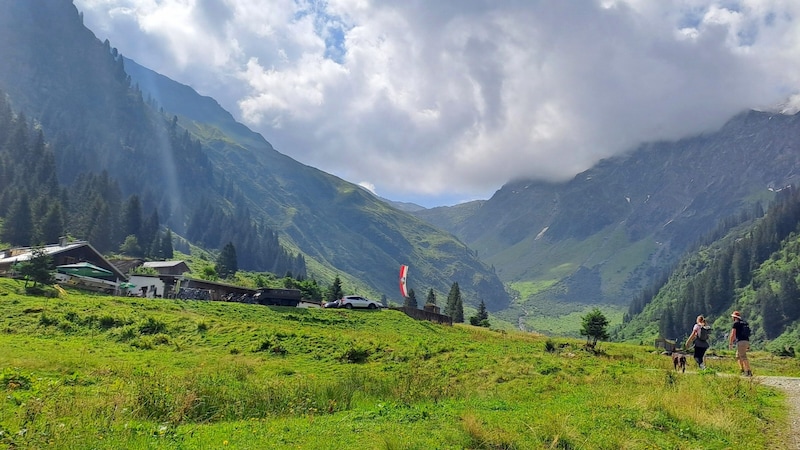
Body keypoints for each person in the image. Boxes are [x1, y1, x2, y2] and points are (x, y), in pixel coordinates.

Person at [729, 310, 752, 376]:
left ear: (734, 317)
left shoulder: (736, 324)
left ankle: (748, 371)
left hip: (740, 342)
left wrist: (730, 343)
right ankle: (742, 370)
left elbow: (733, 334)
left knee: (743, 356)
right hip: (746, 341)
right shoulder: (745, 323)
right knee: (738, 355)